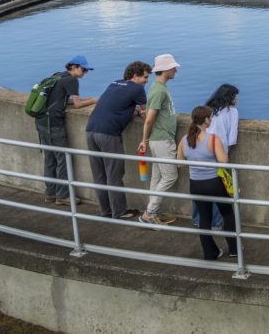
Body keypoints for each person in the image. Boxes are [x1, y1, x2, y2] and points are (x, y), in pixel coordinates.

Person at [85, 60, 151, 220]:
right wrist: (137, 111)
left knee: (99, 175)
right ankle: (119, 212)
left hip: (90, 130)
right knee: (114, 174)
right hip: (109, 134)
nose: (146, 81)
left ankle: (105, 211)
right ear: (135, 76)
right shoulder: (138, 89)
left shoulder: (115, 83)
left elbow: (115, 103)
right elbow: (146, 113)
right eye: (145, 78)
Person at [177, 106, 236, 261]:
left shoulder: (184, 140)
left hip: (195, 184)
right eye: (210, 117)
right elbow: (223, 161)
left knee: (204, 218)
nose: (211, 119)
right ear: (206, 120)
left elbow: (180, 163)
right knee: (228, 213)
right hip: (214, 183)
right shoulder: (213, 138)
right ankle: (234, 249)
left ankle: (210, 253)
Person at [36, 55, 97, 205]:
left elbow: (59, 99)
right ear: (74, 67)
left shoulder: (57, 76)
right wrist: (94, 100)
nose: (84, 73)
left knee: (50, 158)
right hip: (54, 124)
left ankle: (50, 193)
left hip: (42, 121)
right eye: (83, 69)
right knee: (62, 159)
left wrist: (82, 100)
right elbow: (77, 105)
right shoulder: (71, 80)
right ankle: (62, 196)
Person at [139, 54, 181, 225]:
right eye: (173, 67)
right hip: (162, 140)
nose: (175, 70)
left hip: (160, 139)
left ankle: (152, 212)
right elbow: (149, 119)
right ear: (166, 70)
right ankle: (149, 213)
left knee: (156, 178)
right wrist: (144, 140)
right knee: (170, 177)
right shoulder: (158, 90)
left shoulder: (159, 88)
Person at [193, 84, 240, 230]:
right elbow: (232, 139)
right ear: (229, 98)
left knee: (200, 187)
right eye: (234, 96)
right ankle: (216, 223)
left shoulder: (207, 110)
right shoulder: (232, 112)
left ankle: (197, 219)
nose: (236, 99)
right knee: (219, 189)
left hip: (200, 151)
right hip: (218, 153)